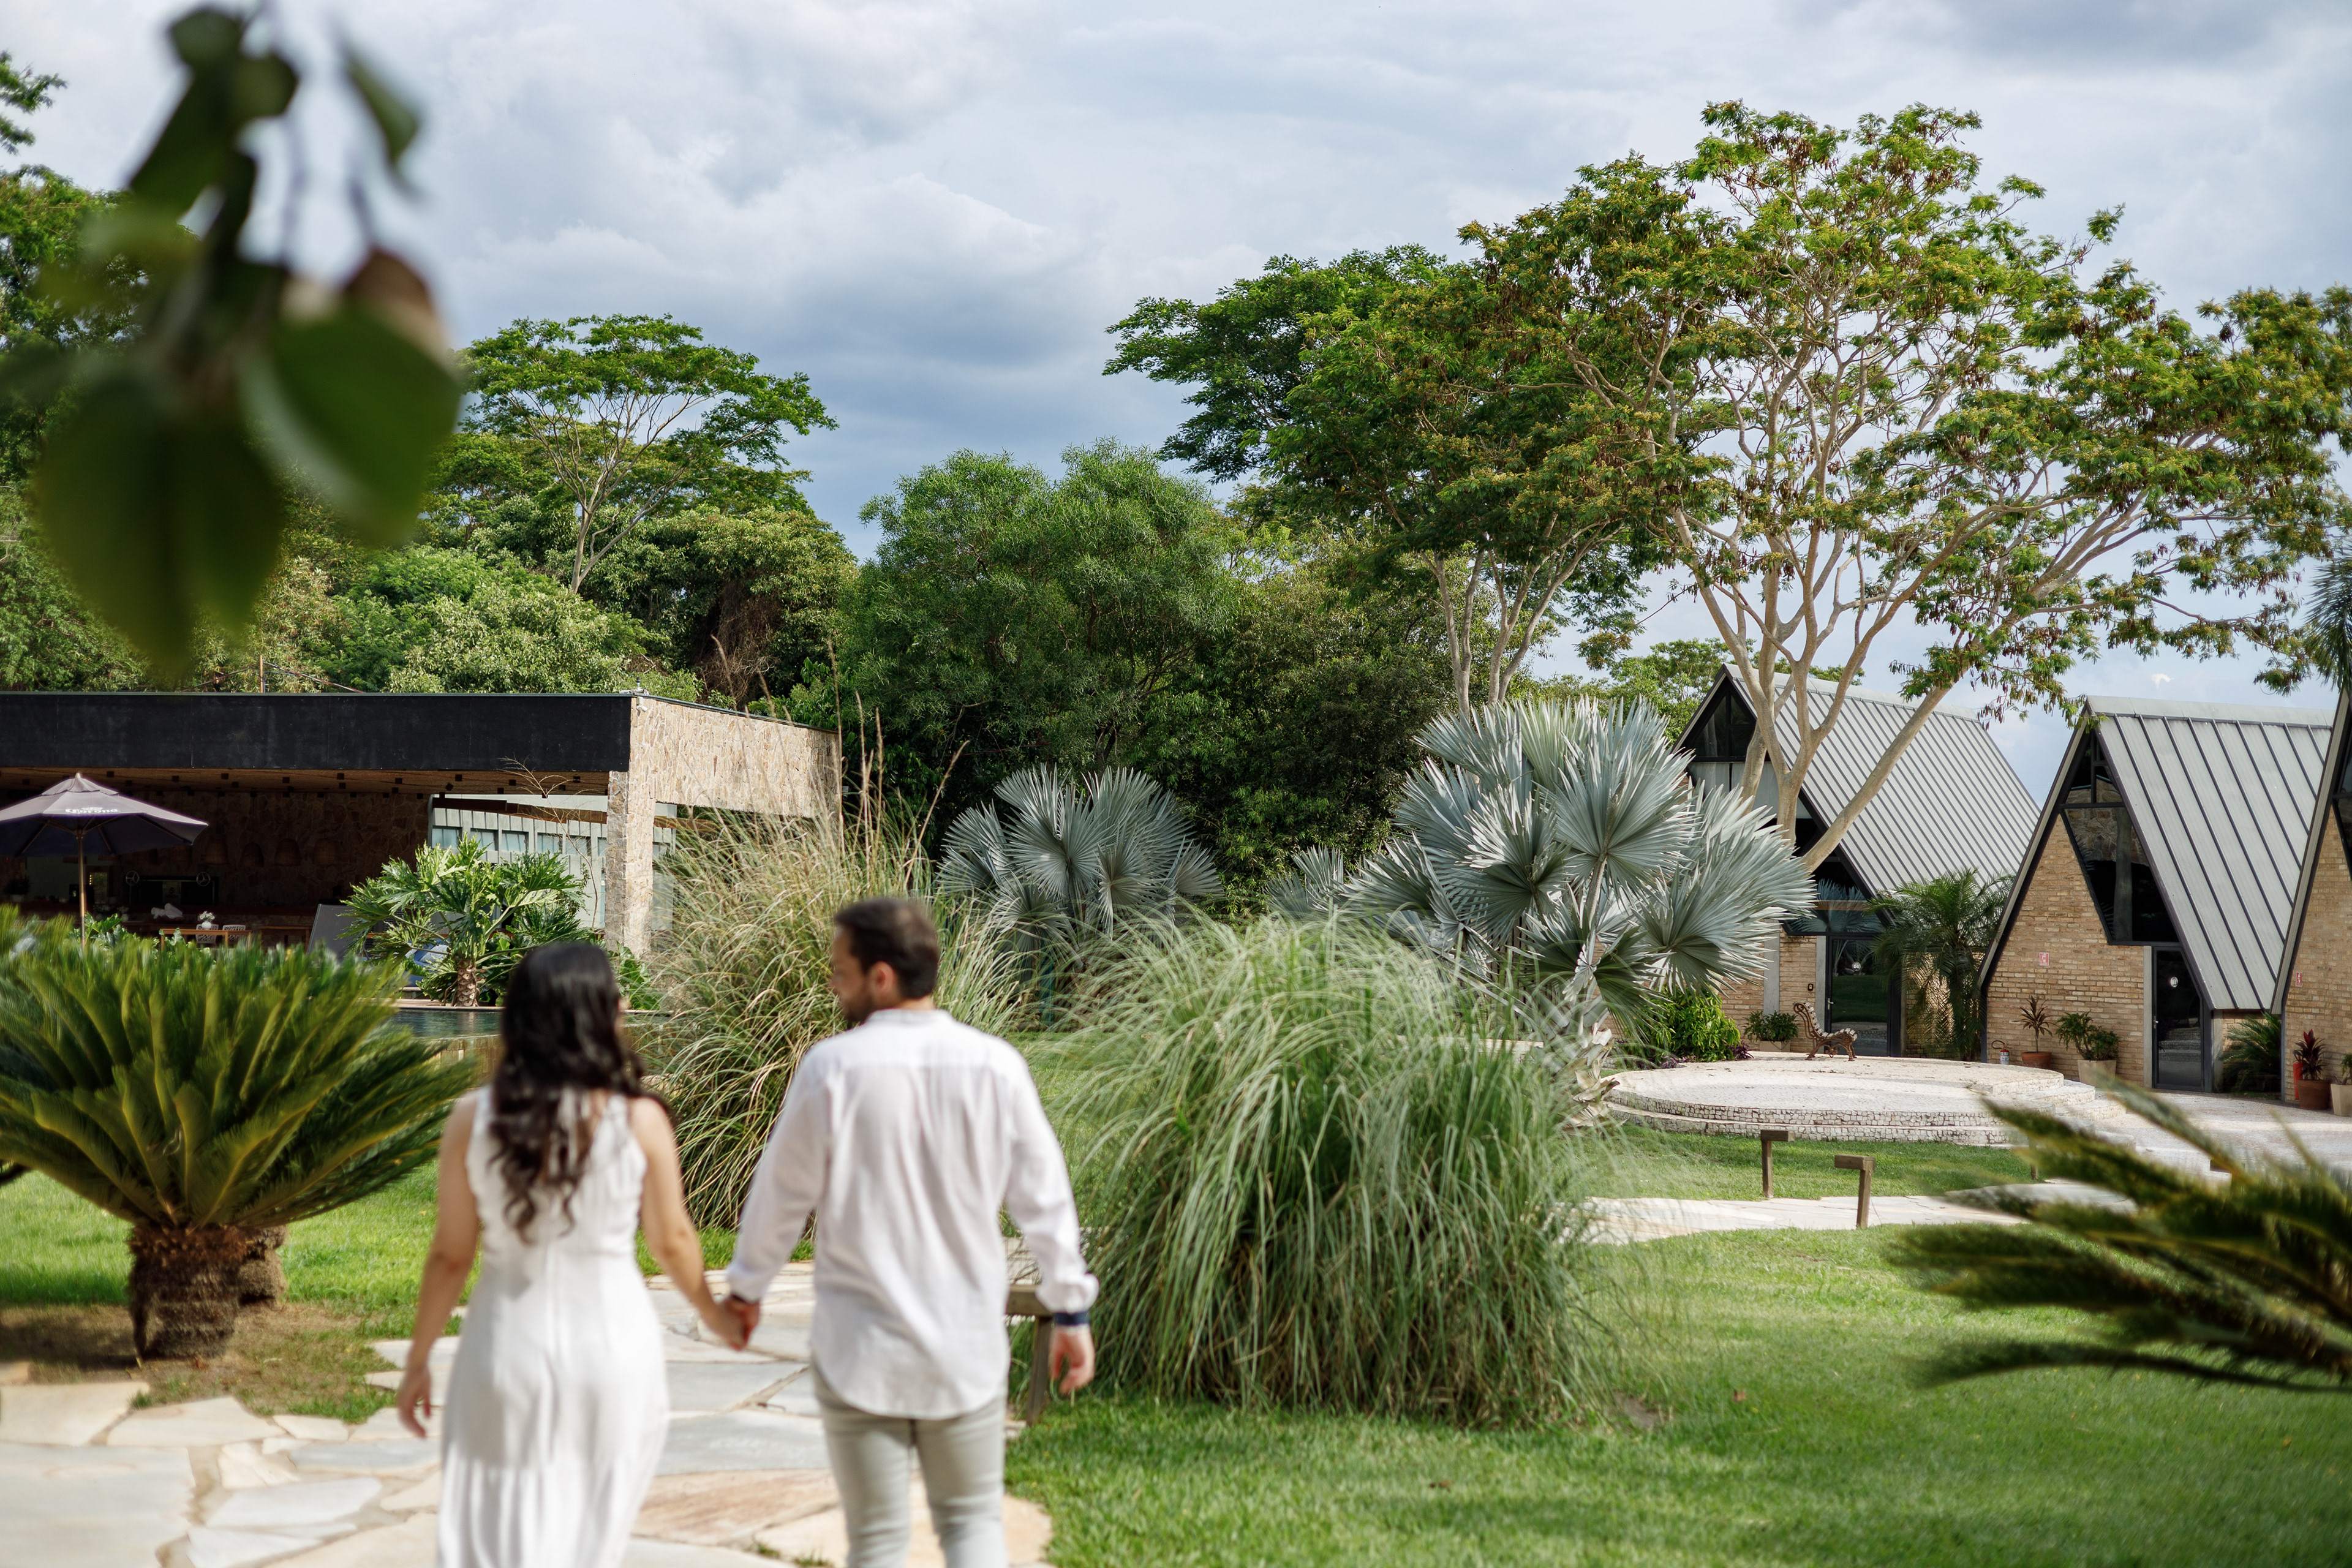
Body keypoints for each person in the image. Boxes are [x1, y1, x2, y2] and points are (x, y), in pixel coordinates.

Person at [725, 897, 1097, 1568]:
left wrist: (748, 1289)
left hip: (860, 1350)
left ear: (882, 977)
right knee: (973, 1525)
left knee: (875, 1541)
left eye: (840, 971)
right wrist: (1070, 1309)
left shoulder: (832, 1069)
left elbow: (781, 1196)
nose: (833, 985)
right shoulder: (995, 1066)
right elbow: (1045, 1198)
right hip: (964, 1349)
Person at [395, 943, 745, 1568]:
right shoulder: (641, 1120)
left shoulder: (473, 1117)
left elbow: (450, 1255)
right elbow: (672, 1240)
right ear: (601, 1014)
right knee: (590, 1540)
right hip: (614, 1351)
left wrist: (418, 1360)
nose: (624, 1006)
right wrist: (715, 1315)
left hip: (506, 1347)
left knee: (495, 1538)